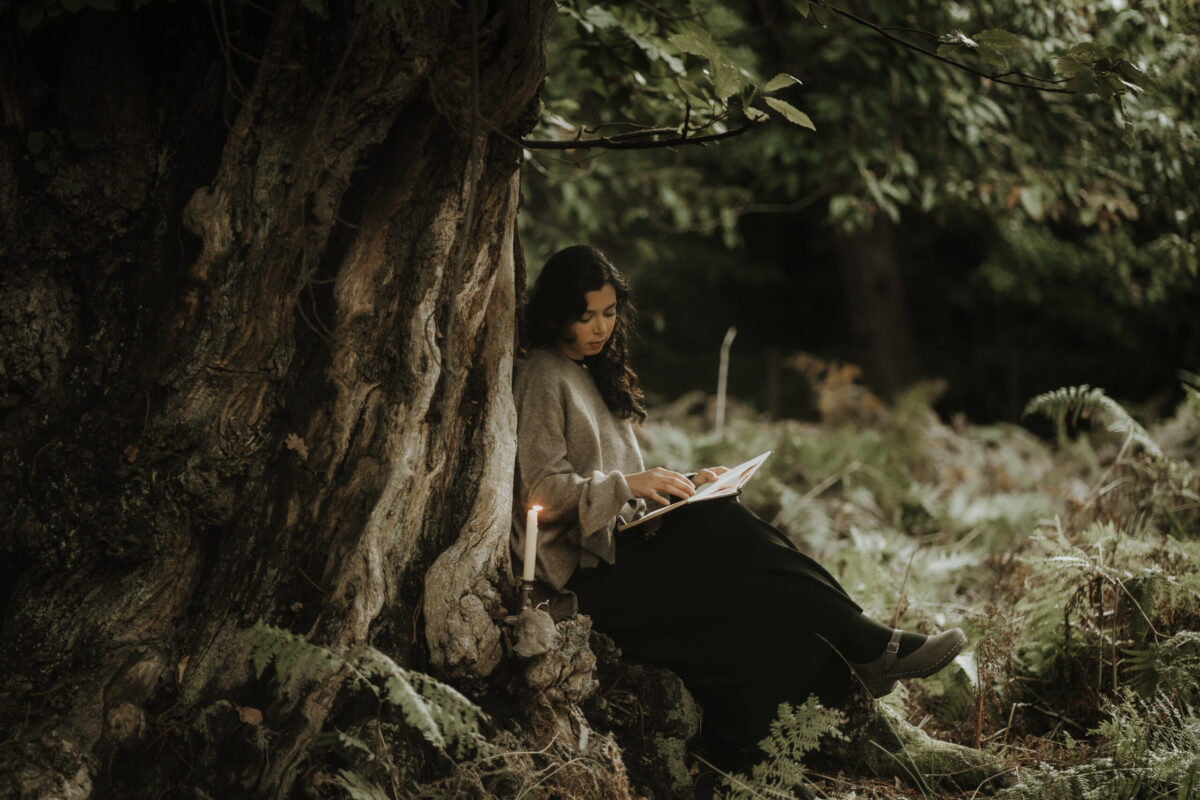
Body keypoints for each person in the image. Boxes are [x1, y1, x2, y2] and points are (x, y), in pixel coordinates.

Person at [511, 244, 965, 763]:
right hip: (581, 577)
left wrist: (684, 483)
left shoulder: (593, 372)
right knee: (727, 531)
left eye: (610, 313)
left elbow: (618, 485)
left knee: (749, 581)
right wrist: (633, 485)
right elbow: (540, 491)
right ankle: (864, 643)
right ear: (555, 313)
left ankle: (763, 734)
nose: (599, 328)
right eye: (585, 315)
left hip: (619, 550)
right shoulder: (542, 375)